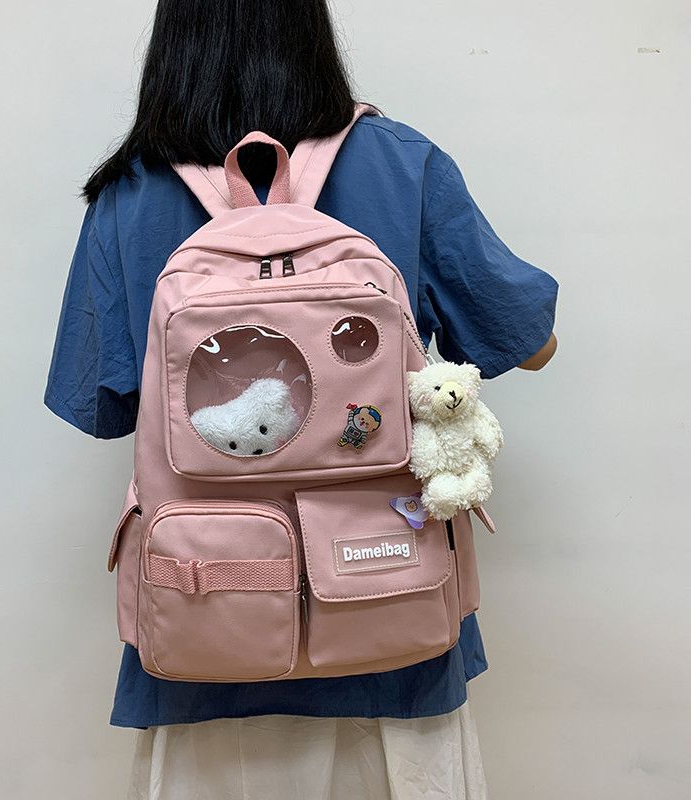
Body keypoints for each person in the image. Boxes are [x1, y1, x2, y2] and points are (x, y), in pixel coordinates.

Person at [45, 1, 558, 796]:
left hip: (207, 637)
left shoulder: (131, 192)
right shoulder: (401, 162)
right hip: (393, 624)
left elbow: (100, 406)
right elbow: (530, 342)